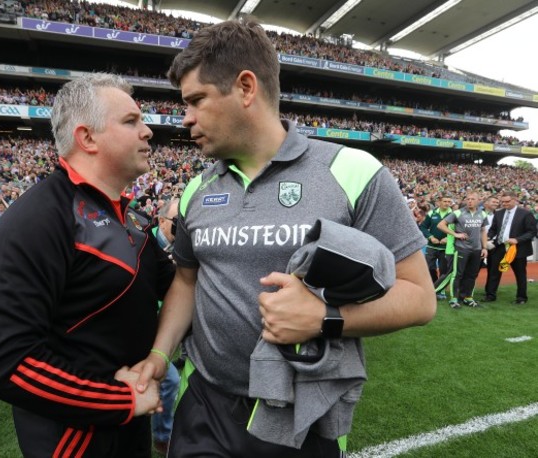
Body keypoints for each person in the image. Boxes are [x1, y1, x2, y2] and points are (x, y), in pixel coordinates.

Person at [131, 19, 435, 458]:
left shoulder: (353, 172)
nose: (186, 118)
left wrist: (325, 317)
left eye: (196, 100)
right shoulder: (197, 189)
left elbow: (420, 298)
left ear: (246, 87)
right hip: (206, 405)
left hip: (303, 413)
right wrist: (161, 354)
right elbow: (187, 281)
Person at [0, 73, 175, 458]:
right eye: (131, 121)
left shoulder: (133, 219)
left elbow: (178, 287)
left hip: (129, 427)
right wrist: (119, 400)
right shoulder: (38, 217)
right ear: (88, 138)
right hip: (72, 440)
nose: (148, 131)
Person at [150, 199, 181, 456]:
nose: (182, 229)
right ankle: (162, 436)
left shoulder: (177, 245)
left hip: (162, 326)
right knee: (169, 380)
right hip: (146, 326)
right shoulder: (145, 243)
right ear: (161, 221)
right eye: (177, 223)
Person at [483, 191, 537, 304]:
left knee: (520, 273)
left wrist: (517, 240)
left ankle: (521, 298)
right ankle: (490, 295)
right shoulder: (498, 213)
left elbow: (532, 232)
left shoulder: (525, 214)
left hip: (517, 248)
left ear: (514, 200)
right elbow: (493, 229)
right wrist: (488, 237)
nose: (504, 204)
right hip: (500, 246)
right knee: (494, 272)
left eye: (507, 201)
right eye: (502, 202)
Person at [437, 192, 488, 308]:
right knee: (457, 274)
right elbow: (441, 225)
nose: (470, 201)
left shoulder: (482, 214)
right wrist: (455, 234)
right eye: (468, 199)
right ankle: (454, 299)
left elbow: (483, 230)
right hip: (461, 249)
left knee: (472, 274)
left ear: (478, 200)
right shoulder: (458, 212)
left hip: (476, 249)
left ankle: (468, 298)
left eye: (472, 199)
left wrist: (484, 247)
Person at [420, 194, 453, 297]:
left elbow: (458, 230)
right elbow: (423, 227)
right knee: (429, 268)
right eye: (445, 201)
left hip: (446, 248)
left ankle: (441, 291)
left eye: (449, 202)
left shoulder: (454, 214)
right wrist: (430, 237)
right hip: (431, 246)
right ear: (439, 202)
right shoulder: (432, 213)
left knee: (444, 270)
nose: (447, 203)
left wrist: (448, 238)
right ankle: (434, 287)